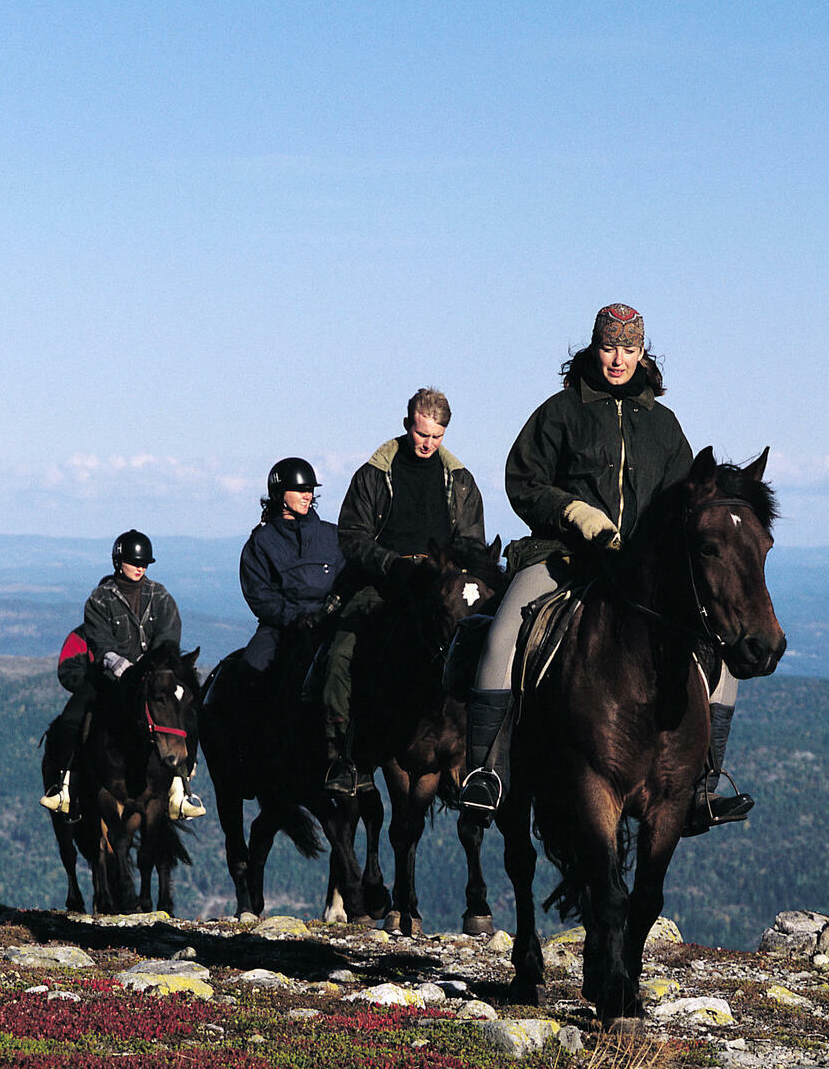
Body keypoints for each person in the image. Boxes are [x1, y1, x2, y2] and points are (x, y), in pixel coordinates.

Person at [458, 303, 755, 833]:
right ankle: (487, 771)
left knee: (722, 653)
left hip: (642, 572)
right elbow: (523, 480)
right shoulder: (559, 412)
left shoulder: (664, 426)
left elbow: (682, 501)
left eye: (629, 349)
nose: (617, 359)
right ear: (593, 348)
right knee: (503, 636)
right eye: (608, 347)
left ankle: (702, 787)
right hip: (561, 557)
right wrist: (573, 512)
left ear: (643, 354)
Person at [321, 388, 487, 794]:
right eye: (422, 433)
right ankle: (343, 757)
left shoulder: (460, 481)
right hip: (384, 583)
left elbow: (472, 542)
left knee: (484, 647)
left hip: (441, 586)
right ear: (408, 424)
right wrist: (392, 565)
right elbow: (352, 535)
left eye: (437, 436)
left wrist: (448, 572)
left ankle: (481, 759)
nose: (428, 443)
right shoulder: (374, 474)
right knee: (341, 654)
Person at [41, 529, 195, 816]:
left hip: (154, 677)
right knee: (71, 718)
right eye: (134, 561)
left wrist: (153, 668)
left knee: (186, 714)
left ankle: (182, 788)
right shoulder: (99, 599)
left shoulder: (161, 596)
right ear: (118, 562)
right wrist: (124, 669)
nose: (140, 567)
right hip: (112, 677)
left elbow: (169, 638)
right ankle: (63, 786)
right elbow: (101, 644)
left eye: (145, 563)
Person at [236, 458, 344, 677]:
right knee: (249, 672)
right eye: (299, 490)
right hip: (281, 628)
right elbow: (259, 595)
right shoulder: (261, 542)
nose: (308, 495)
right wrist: (295, 618)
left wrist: (329, 614)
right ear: (278, 494)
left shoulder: (332, 535)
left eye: (310, 490)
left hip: (331, 623)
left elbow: (348, 578)